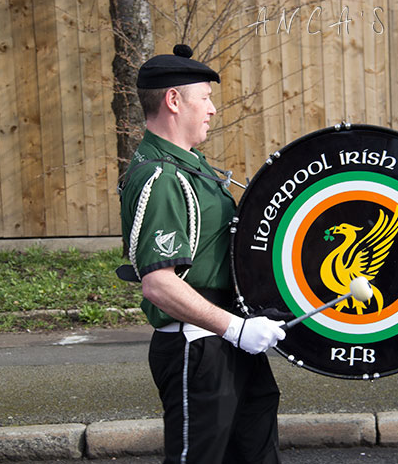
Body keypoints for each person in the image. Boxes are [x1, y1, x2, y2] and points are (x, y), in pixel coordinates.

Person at [119, 44, 286, 463]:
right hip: (200, 347)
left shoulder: (192, 165)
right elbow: (159, 284)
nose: (212, 109)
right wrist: (235, 329)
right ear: (173, 101)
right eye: (205, 98)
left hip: (230, 339)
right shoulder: (160, 178)